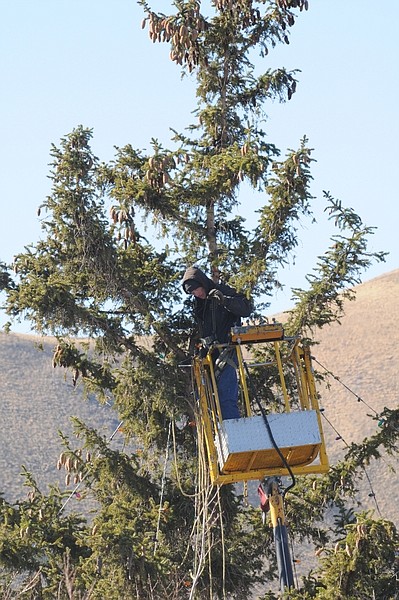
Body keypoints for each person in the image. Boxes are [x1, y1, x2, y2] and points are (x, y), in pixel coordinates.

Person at [182, 266, 252, 420]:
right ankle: (220, 433)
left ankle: (233, 434)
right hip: (209, 354)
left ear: (203, 282)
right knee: (207, 400)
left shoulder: (222, 291)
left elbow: (246, 308)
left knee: (226, 396)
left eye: (197, 289)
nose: (197, 294)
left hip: (226, 352)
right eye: (193, 293)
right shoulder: (199, 305)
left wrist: (225, 300)